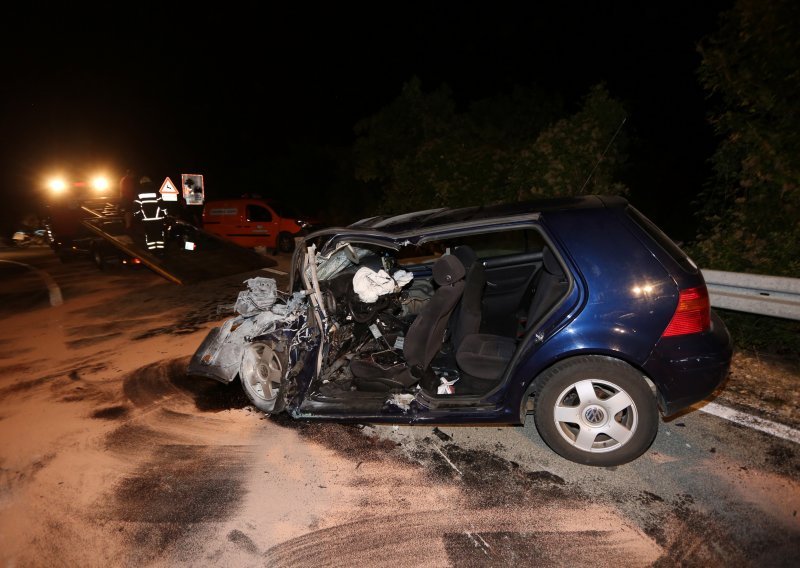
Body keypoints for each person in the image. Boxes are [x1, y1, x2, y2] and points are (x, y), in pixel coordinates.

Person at [134, 176, 167, 255]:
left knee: (150, 236)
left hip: (146, 220)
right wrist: (166, 214)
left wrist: (136, 215)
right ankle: (160, 251)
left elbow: (136, 207)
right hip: (158, 219)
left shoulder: (139, 193)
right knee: (159, 235)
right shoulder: (155, 191)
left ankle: (152, 252)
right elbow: (162, 205)